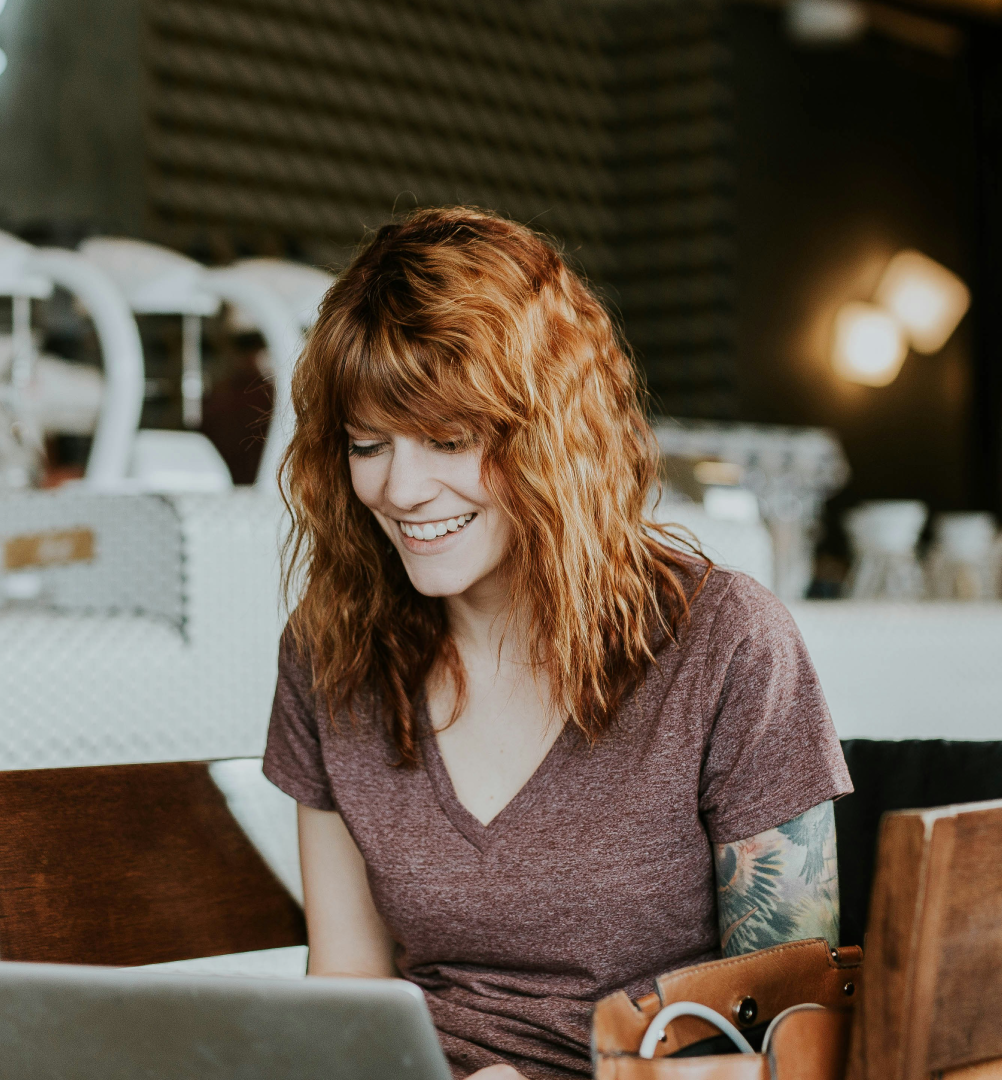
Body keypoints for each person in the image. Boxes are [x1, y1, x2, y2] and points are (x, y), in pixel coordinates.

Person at [260, 207, 852, 1080]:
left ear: (551, 437)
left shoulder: (725, 644)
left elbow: (799, 1042)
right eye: (367, 444)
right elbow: (346, 991)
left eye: (450, 440)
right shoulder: (331, 652)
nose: (401, 488)